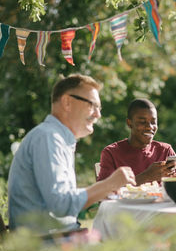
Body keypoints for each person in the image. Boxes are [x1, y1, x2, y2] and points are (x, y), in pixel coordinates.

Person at [8, 74, 136, 234]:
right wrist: (108, 184)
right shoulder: (49, 138)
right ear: (67, 102)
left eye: (99, 108)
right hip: (47, 246)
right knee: (132, 242)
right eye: (92, 105)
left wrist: (102, 191)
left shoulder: (55, 137)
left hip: (56, 238)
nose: (98, 114)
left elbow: (60, 200)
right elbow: (61, 204)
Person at [97, 98, 176, 185]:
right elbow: (103, 192)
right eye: (142, 122)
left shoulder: (165, 150)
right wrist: (146, 176)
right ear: (129, 123)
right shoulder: (111, 153)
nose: (149, 127)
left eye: (153, 122)